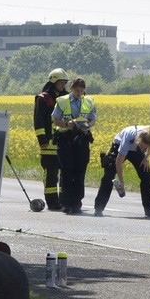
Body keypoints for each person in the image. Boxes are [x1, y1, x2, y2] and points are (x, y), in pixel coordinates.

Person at [51, 77, 96, 214]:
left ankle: (77, 203)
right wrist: (67, 124)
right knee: (67, 170)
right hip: (65, 139)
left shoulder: (88, 101)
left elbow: (93, 119)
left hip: (81, 139)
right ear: (71, 89)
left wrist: (87, 124)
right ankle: (66, 203)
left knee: (80, 171)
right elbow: (55, 120)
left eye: (82, 90)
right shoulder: (63, 101)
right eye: (77, 90)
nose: (79, 93)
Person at [93, 125, 150, 218]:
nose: (143, 149)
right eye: (142, 146)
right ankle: (99, 208)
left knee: (146, 176)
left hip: (136, 149)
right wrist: (122, 183)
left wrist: (145, 158)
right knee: (109, 175)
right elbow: (118, 163)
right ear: (139, 140)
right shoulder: (129, 139)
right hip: (119, 145)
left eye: (145, 148)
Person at [33, 68, 69, 210]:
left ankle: (64, 200)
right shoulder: (43, 98)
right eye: (61, 82)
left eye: (65, 82)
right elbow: (39, 120)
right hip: (48, 143)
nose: (63, 85)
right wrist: (42, 139)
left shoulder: (66, 98)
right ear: (53, 81)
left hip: (63, 142)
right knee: (51, 174)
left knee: (65, 173)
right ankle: (52, 202)